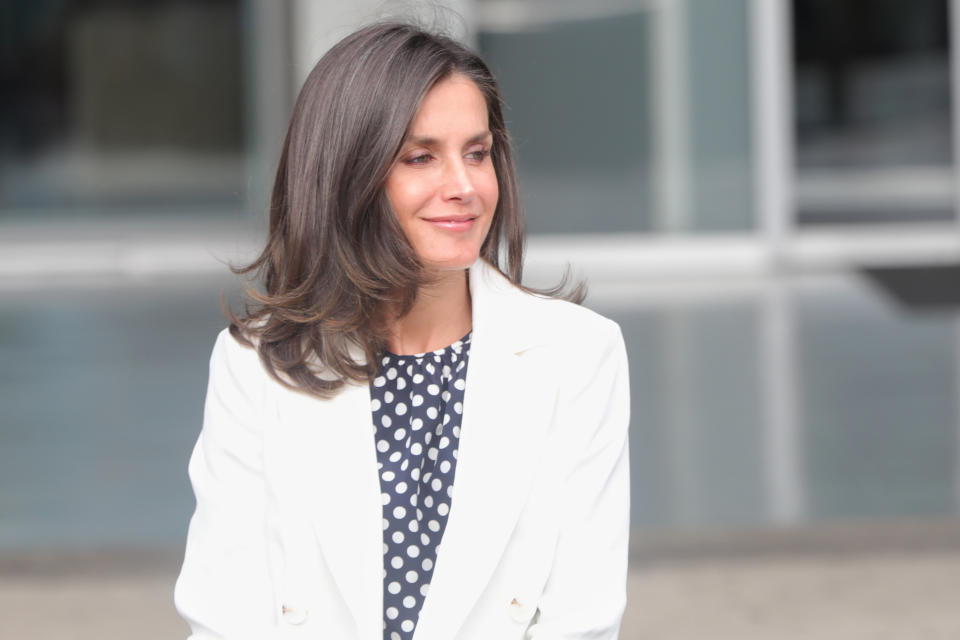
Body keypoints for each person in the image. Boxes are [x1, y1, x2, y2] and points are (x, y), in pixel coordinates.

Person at [174, 21, 630, 640]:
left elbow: (583, 617)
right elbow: (225, 615)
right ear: (344, 176)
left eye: (477, 152)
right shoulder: (255, 363)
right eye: (420, 157)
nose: (464, 187)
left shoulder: (578, 355)